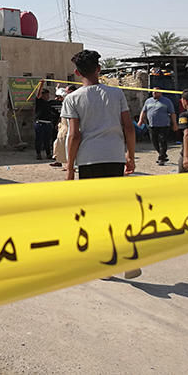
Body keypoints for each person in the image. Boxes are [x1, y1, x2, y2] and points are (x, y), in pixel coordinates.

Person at [61, 50, 139, 278]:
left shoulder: (73, 98)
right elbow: (129, 127)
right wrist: (130, 155)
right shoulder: (116, 94)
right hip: (114, 156)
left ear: (76, 73)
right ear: (99, 69)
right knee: (116, 207)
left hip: (88, 160)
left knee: (94, 211)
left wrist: (69, 168)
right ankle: (129, 256)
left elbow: (74, 136)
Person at [137, 87, 177, 165]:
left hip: (164, 125)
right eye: (153, 92)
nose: (154, 93)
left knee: (162, 141)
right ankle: (163, 154)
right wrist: (140, 120)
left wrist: (174, 124)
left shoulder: (167, 101)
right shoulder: (148, 101)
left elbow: (172, 113)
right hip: (152, 125)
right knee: (154, 141)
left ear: (160, 92)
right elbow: (143, 111)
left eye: (156, 92)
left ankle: (161, 158)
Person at [50, 85, 76, 168]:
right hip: (63, 126)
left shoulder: (72, 99)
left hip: (69, 127)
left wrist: (58, 90)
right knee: (58, 144)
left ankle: (71, 165)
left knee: (69, 146)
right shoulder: (66, 100)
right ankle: (59, 161)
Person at [34, 80, 55, 161]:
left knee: (47, 140)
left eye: (48, 95)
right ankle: (38, 154)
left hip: (48, 124)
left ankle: (48, 154)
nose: (48, 96)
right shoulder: (39, 101)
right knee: (39, 140)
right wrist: (41, 84)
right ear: (42, 95)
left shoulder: (48, 103)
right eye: (46, 95)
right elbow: (38, 94)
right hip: (40, 124)